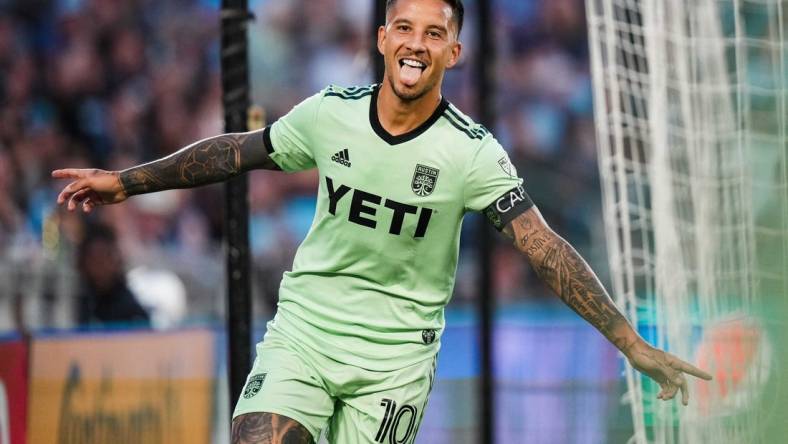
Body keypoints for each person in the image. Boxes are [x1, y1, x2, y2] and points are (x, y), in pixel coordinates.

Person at [53, 0, 712, 442]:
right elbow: (234, 152)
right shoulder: (330, 113)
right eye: (404, 28)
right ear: (382, 38)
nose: (415, 44)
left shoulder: (472, 153)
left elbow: (543, 249)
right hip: (305, 336)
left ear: (453, 52)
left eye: (434, 33)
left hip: (392, 364)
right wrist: (127, 182)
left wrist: (630, 342)